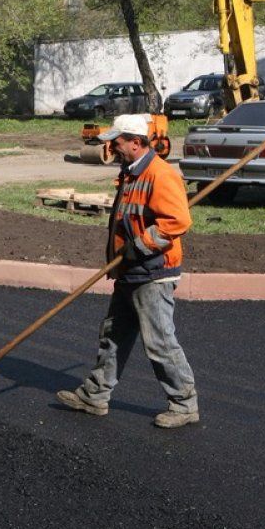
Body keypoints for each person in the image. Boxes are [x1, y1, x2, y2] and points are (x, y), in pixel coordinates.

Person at [56, 113, 199, 429]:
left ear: (136, 143)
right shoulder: (130, 173)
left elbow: (177, 221)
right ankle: (94, 395)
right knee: (114, 336)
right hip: (129, 270)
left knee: (160, 341)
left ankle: (184, 403)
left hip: (152, 273)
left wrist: (141, 245)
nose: (113, 148)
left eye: (117, 143)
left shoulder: (159, 175)